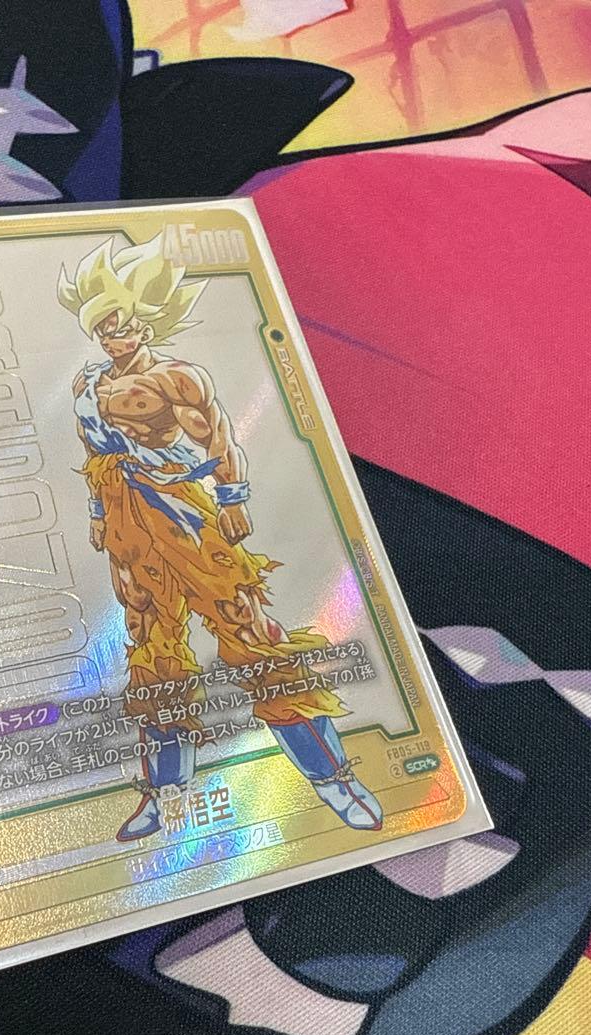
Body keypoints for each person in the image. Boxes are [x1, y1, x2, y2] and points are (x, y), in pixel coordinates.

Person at [58, 234, 383, 841]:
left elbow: (219, 439)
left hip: (184, 508)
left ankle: (334, 779)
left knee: (251, 634)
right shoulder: (87, 384)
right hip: (128, 519)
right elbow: (94, 454)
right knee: (152, 650)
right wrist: (100, 513)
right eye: (101, 327)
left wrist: (232, 498)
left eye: (118, 323)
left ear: (144, 320)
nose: (110, 336)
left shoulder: (177, 378)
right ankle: (167, 794)